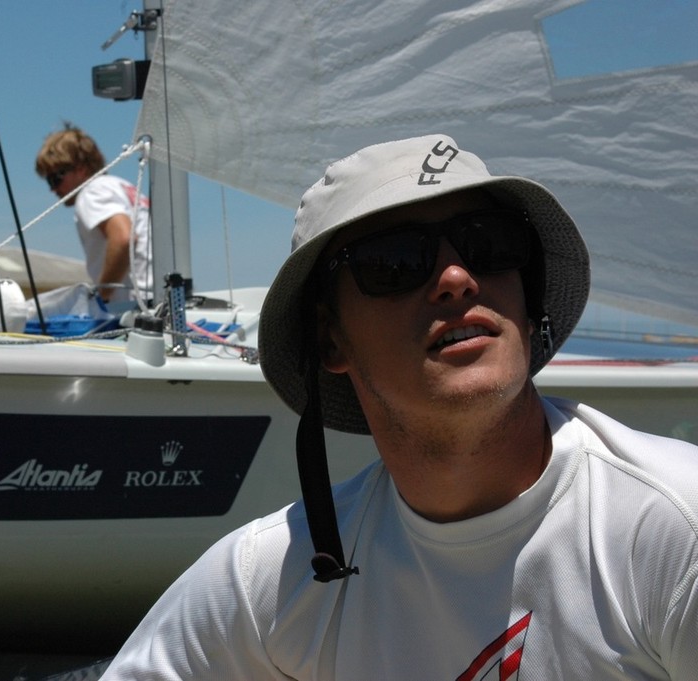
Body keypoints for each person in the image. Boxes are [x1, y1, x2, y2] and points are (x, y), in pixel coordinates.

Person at [99, 135, 698, 679]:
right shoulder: (274, 577)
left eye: (489, 245)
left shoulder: (676, 533)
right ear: (329, 339)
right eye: (394, 262)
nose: (458, 277)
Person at [35, 125, 152, 305]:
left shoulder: (91, 192)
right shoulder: (122, 187)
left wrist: (102, 296)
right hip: (159, 300)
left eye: (55, 178)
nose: (52, 189)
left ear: (81, 169)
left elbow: (123, 238)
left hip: (136, 307)